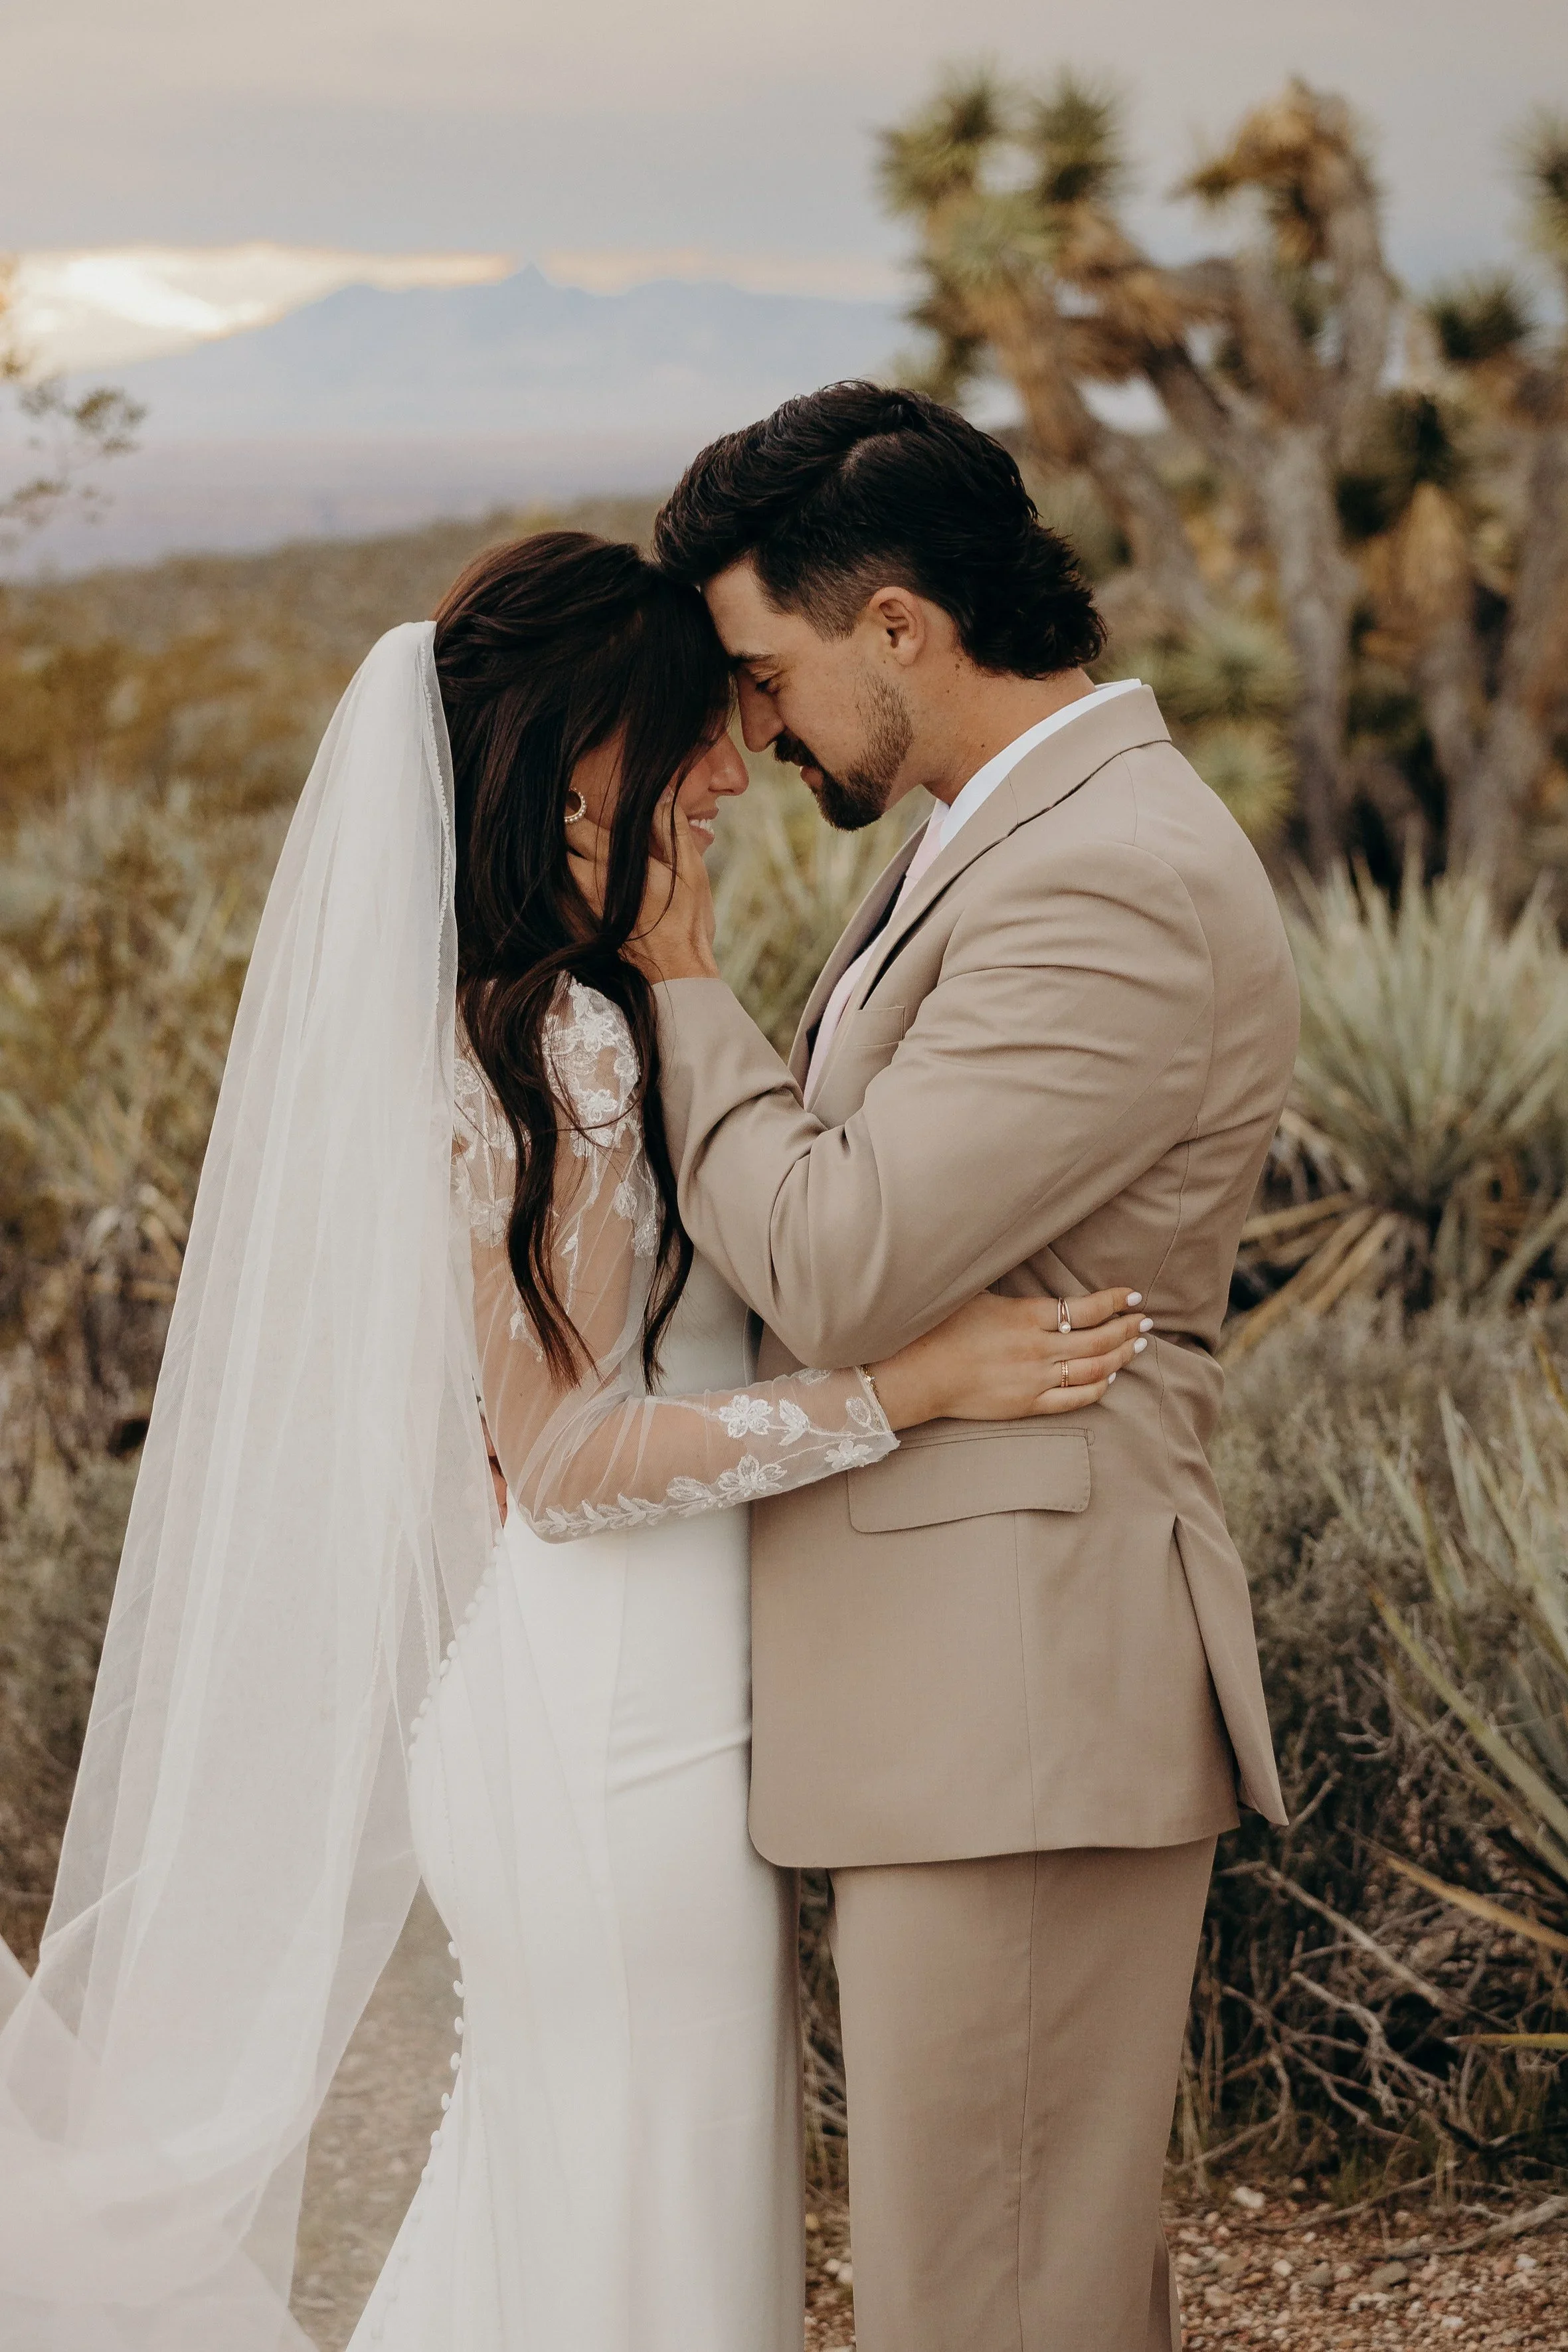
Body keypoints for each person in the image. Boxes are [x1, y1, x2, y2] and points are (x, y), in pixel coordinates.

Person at [0, 528, 1145, 2351]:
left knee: (580, 2203)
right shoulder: (570, 1050)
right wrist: (912, 1389)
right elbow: (575, 1466)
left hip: (582, 1709)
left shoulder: (517, 1013)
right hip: (625, 1730)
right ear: (587, 758)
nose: (732, 769)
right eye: (698, 732)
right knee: (646, 2220)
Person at [614, 383, 1302, 2352]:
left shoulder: (1113, 878)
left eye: (765, 671)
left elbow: (837, 1258)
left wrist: (676, 984)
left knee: (987, 2301)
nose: (751, 727)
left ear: (898, 625)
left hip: (1022, 1680)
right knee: (1006, 2283)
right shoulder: (997, 838)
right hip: (963, 1694)